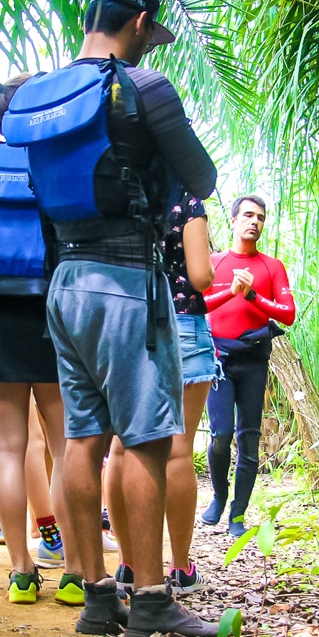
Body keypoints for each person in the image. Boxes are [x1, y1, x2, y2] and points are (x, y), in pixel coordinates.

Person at [7, 0, 219, 637]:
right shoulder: (142, 87)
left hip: (64, 279)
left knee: (83, 437)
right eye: (147, 37)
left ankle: (98, 596)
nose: (148, 50)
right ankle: (152, 598)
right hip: (126, 277)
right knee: (150, 439)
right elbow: (202, 176)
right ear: (136, 26)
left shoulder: (42, 95)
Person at [0, 77, 72, 606]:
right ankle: (76, 568)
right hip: (50, 311)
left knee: (5, 445)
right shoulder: (54, 163)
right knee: (64, 442)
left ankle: (22, 573)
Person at [105, 194, 215, 595]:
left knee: (120, 447)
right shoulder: (184, 199)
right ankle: (180, 568)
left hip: (125, 322)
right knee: (179, 449)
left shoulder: (117, 187)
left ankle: (128, 565)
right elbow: (201, 277)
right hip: (182, 321)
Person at [202, 195, 296, 537]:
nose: (254, 221)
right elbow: (198, 304)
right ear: (232, 220)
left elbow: (288, 313)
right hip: (219, 361)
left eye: (260, 217)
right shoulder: (214, 262)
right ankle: (218, 496)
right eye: (247, 215)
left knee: (249, 438)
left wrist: (254, 295)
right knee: (221, 434)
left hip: (254, 359)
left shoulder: (272, 267)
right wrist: (232, 291)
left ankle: (238, 515)